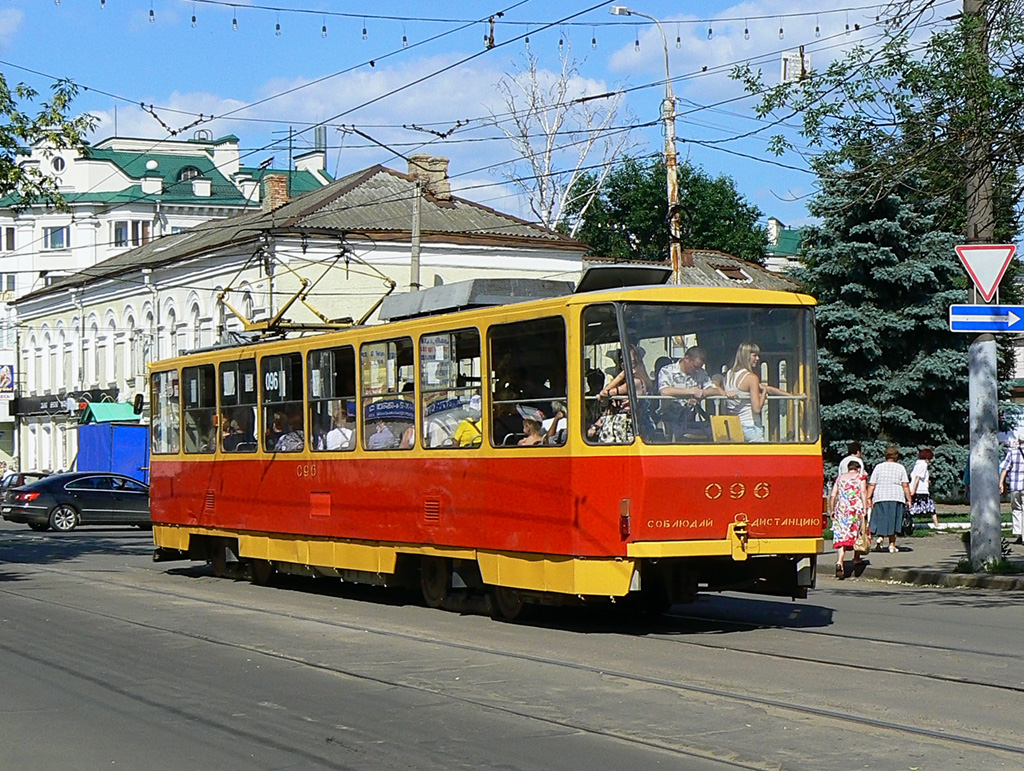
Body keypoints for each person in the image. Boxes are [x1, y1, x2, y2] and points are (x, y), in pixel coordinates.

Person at [722, 342, 787, 443]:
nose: (757, 358)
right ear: (746, 356)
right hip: (750, 426)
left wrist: (791, 396)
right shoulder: (751, 378)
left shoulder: (729, 374)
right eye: (754, 355)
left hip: (735, 426)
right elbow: (756, 409)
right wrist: (764, 392)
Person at [657, 346, 722, 439]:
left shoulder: (701, 372)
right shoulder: (667, 370)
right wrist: (691, 391)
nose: (697, 370)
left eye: (700, 367)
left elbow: (715, 390)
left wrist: (702, 393)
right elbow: (665, 391)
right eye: (695, 366)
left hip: (690, 420)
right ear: (686, 358)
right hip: (669, 420)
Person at [867, 445, 912, 553]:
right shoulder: (900, 467)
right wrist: (909, 499)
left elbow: (872, 484)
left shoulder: (878, 467)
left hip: (880, 496)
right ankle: (892, 544)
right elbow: (905, 485)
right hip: (896, 496)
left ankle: (880, 538)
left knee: (881, 518)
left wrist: (868, 497)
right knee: (894, 520)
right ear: (896, 456)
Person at [829, 458, 868, 578]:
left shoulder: (840, 478)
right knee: (857, 532)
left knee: (842, 534)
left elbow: (833, 495)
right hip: (854, 508)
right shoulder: (860, 477)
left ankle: (839, 561)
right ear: (858, 469)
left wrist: (832, 510)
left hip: (841, 508)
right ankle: (856, 558)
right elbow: (863, 492)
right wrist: (865, 508)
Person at [999, 440, 1024, 545]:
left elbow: (1004, 468)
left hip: (1015, 486)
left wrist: (1001, 483)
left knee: (1016, 509)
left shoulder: (1012, 452)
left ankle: (1019, 534)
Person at [910, 448, 937, 530]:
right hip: (921, 490)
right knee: (931, 507)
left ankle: (908, 522)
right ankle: (936, 524)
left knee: (912, 507)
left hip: (915, 488)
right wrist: (914, 490)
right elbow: (918, 477)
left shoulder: (917, 464)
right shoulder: (923, 465)